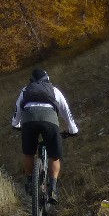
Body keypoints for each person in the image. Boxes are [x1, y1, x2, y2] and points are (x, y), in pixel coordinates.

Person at [11, 68, 79, 203]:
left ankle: (30, 182)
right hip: (49, 120)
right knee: (55, 156)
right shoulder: (54, 90)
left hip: (29, 120)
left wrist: (16, 124)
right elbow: (66, 111)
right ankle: (53, 189)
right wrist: (73, 130)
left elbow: (17, 111)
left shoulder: (25, 90)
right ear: (47, 79)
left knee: (29, 153)